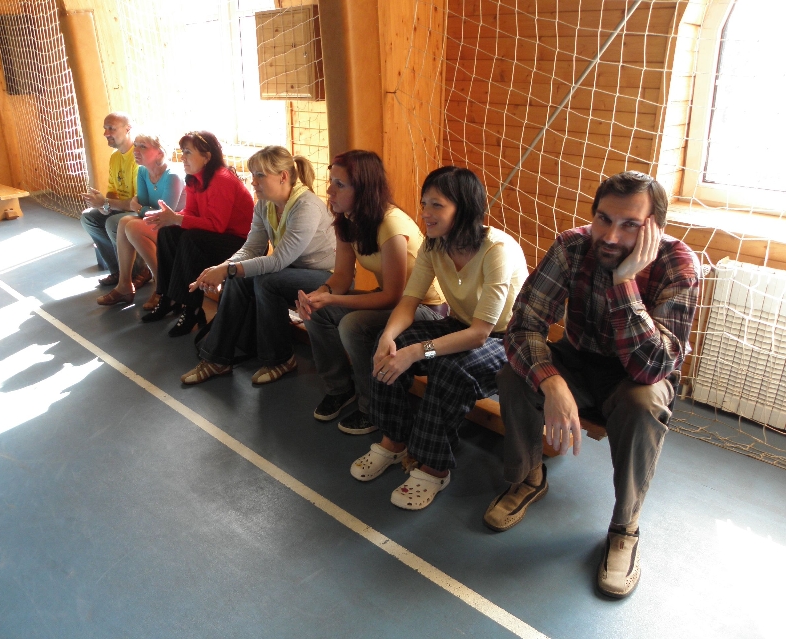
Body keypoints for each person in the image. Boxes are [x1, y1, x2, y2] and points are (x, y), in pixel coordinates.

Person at [485, 171, 700, 599]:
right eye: (604, 218)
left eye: (630, 225)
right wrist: (552, 383)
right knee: (514, 376)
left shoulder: (678, 264)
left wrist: (625, 283)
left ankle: (625, 527)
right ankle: (529, 477)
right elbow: (523, 324)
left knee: (644, 404)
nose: (611, 236)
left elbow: (652, 365)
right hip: (578, 359)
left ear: (655, 227)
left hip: (636, 377)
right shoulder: (572, 246)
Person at [349, 166, 528, 511]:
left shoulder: (497, 249)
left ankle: (435, 467)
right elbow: (408, 301)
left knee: (450, 370)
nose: (425, 213)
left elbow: (480, 334)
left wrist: (418, 352)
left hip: (506, 339)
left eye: (437, 205)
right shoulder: (434, 245)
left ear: (464, 209)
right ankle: (394, 440)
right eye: (424, 204)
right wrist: (389, 336)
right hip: (461, 325)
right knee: (389, 347)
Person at [295, 150, 444, 433]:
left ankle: (372, 407)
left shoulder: (391, 224)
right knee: (318, 311)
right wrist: (320, 294)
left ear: (363, 189)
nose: (330, 190)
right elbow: (341, 277)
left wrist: (332, 298)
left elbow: (392, 296)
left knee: (353, 325)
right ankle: (340, 388)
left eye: (340, 184)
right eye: (331, 180)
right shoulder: (347, 219)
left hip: (425, 307)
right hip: (393, 299)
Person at [181, 145, 335, 385]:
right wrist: (223, 268)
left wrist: (227, 270)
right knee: (240, 278)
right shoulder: (265, 204)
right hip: (292, 271)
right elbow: (252, 248)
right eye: (253, 175)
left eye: (260, 175)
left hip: (327, 278)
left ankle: (280, 360)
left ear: (283, 176)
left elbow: (278, 260)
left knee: (266, 281)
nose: (253, 182)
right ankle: (217, 359)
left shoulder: (307, 206)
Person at [141, 131, 254, 337]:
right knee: (168, 232)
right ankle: (167, 297)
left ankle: (192, 308)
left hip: (241, 243)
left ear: (207, 157)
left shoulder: (222, 179)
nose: (182, 157)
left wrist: (177, 218)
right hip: (216, 236)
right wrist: (171, 217)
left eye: (188, 152)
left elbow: (217, 226)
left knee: (190, 239)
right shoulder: (194, 178)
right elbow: (191, 213)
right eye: (182, 152)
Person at [96, 133, 185, 306]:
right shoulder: (143, 171)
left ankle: (163, 287)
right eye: (135, 145)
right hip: (156, 222)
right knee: (124, 222)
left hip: (174, 227)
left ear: (160, 153)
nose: (135, 150)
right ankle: (124, 285)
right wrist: (139, 208)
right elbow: (142, 208)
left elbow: (163, 215)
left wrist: (138, 208)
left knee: (132, 227)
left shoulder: (173, 176)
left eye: (143, 146)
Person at [80, 112, 149, 288]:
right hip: (123, 209)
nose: (106, 133)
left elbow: (137, 203)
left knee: (114, 222)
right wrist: (103, 206)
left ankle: (139, 272)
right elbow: (112, 192)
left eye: (111, 128)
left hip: (142, 210)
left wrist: (106, 203)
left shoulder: (138, 157)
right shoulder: (115, 157)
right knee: (89, 217)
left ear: (128, 129)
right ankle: (118, 270)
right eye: (105, 128)